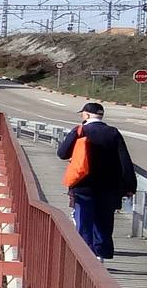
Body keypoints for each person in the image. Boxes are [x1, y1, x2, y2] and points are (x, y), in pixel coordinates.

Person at [56, 102, 137, 260]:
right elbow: (125, 161)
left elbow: (62, 153)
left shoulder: (80, 130)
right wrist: (130, 186)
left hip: (83, 186)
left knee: (84, 222)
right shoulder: (113, 133)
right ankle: (101, 255)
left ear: (86, 115)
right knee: (104, 223)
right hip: (109, 188)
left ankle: (85, 257)